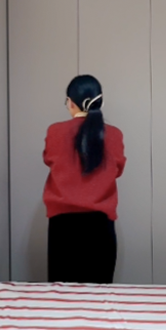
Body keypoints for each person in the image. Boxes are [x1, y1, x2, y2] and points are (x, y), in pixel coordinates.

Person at [43, 74, 126, 283]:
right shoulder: (114, 135)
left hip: (62, 228)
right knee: (100, 296)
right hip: (100, 228)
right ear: (101, 102)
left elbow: (49, 159)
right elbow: (117, 169)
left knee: (62, 295)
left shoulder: (55, 131)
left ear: (70, 103)